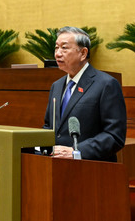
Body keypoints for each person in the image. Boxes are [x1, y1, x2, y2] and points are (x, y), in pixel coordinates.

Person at [43, 26, 126, 162]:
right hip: (56, 166)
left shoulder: (106, 84)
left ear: (83, 53)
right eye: (56, 47)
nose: (57, 53)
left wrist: (77, 151)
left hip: (91, 169)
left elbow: (114, 136)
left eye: (64, 48)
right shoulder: (56, 86)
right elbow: (49, 127)